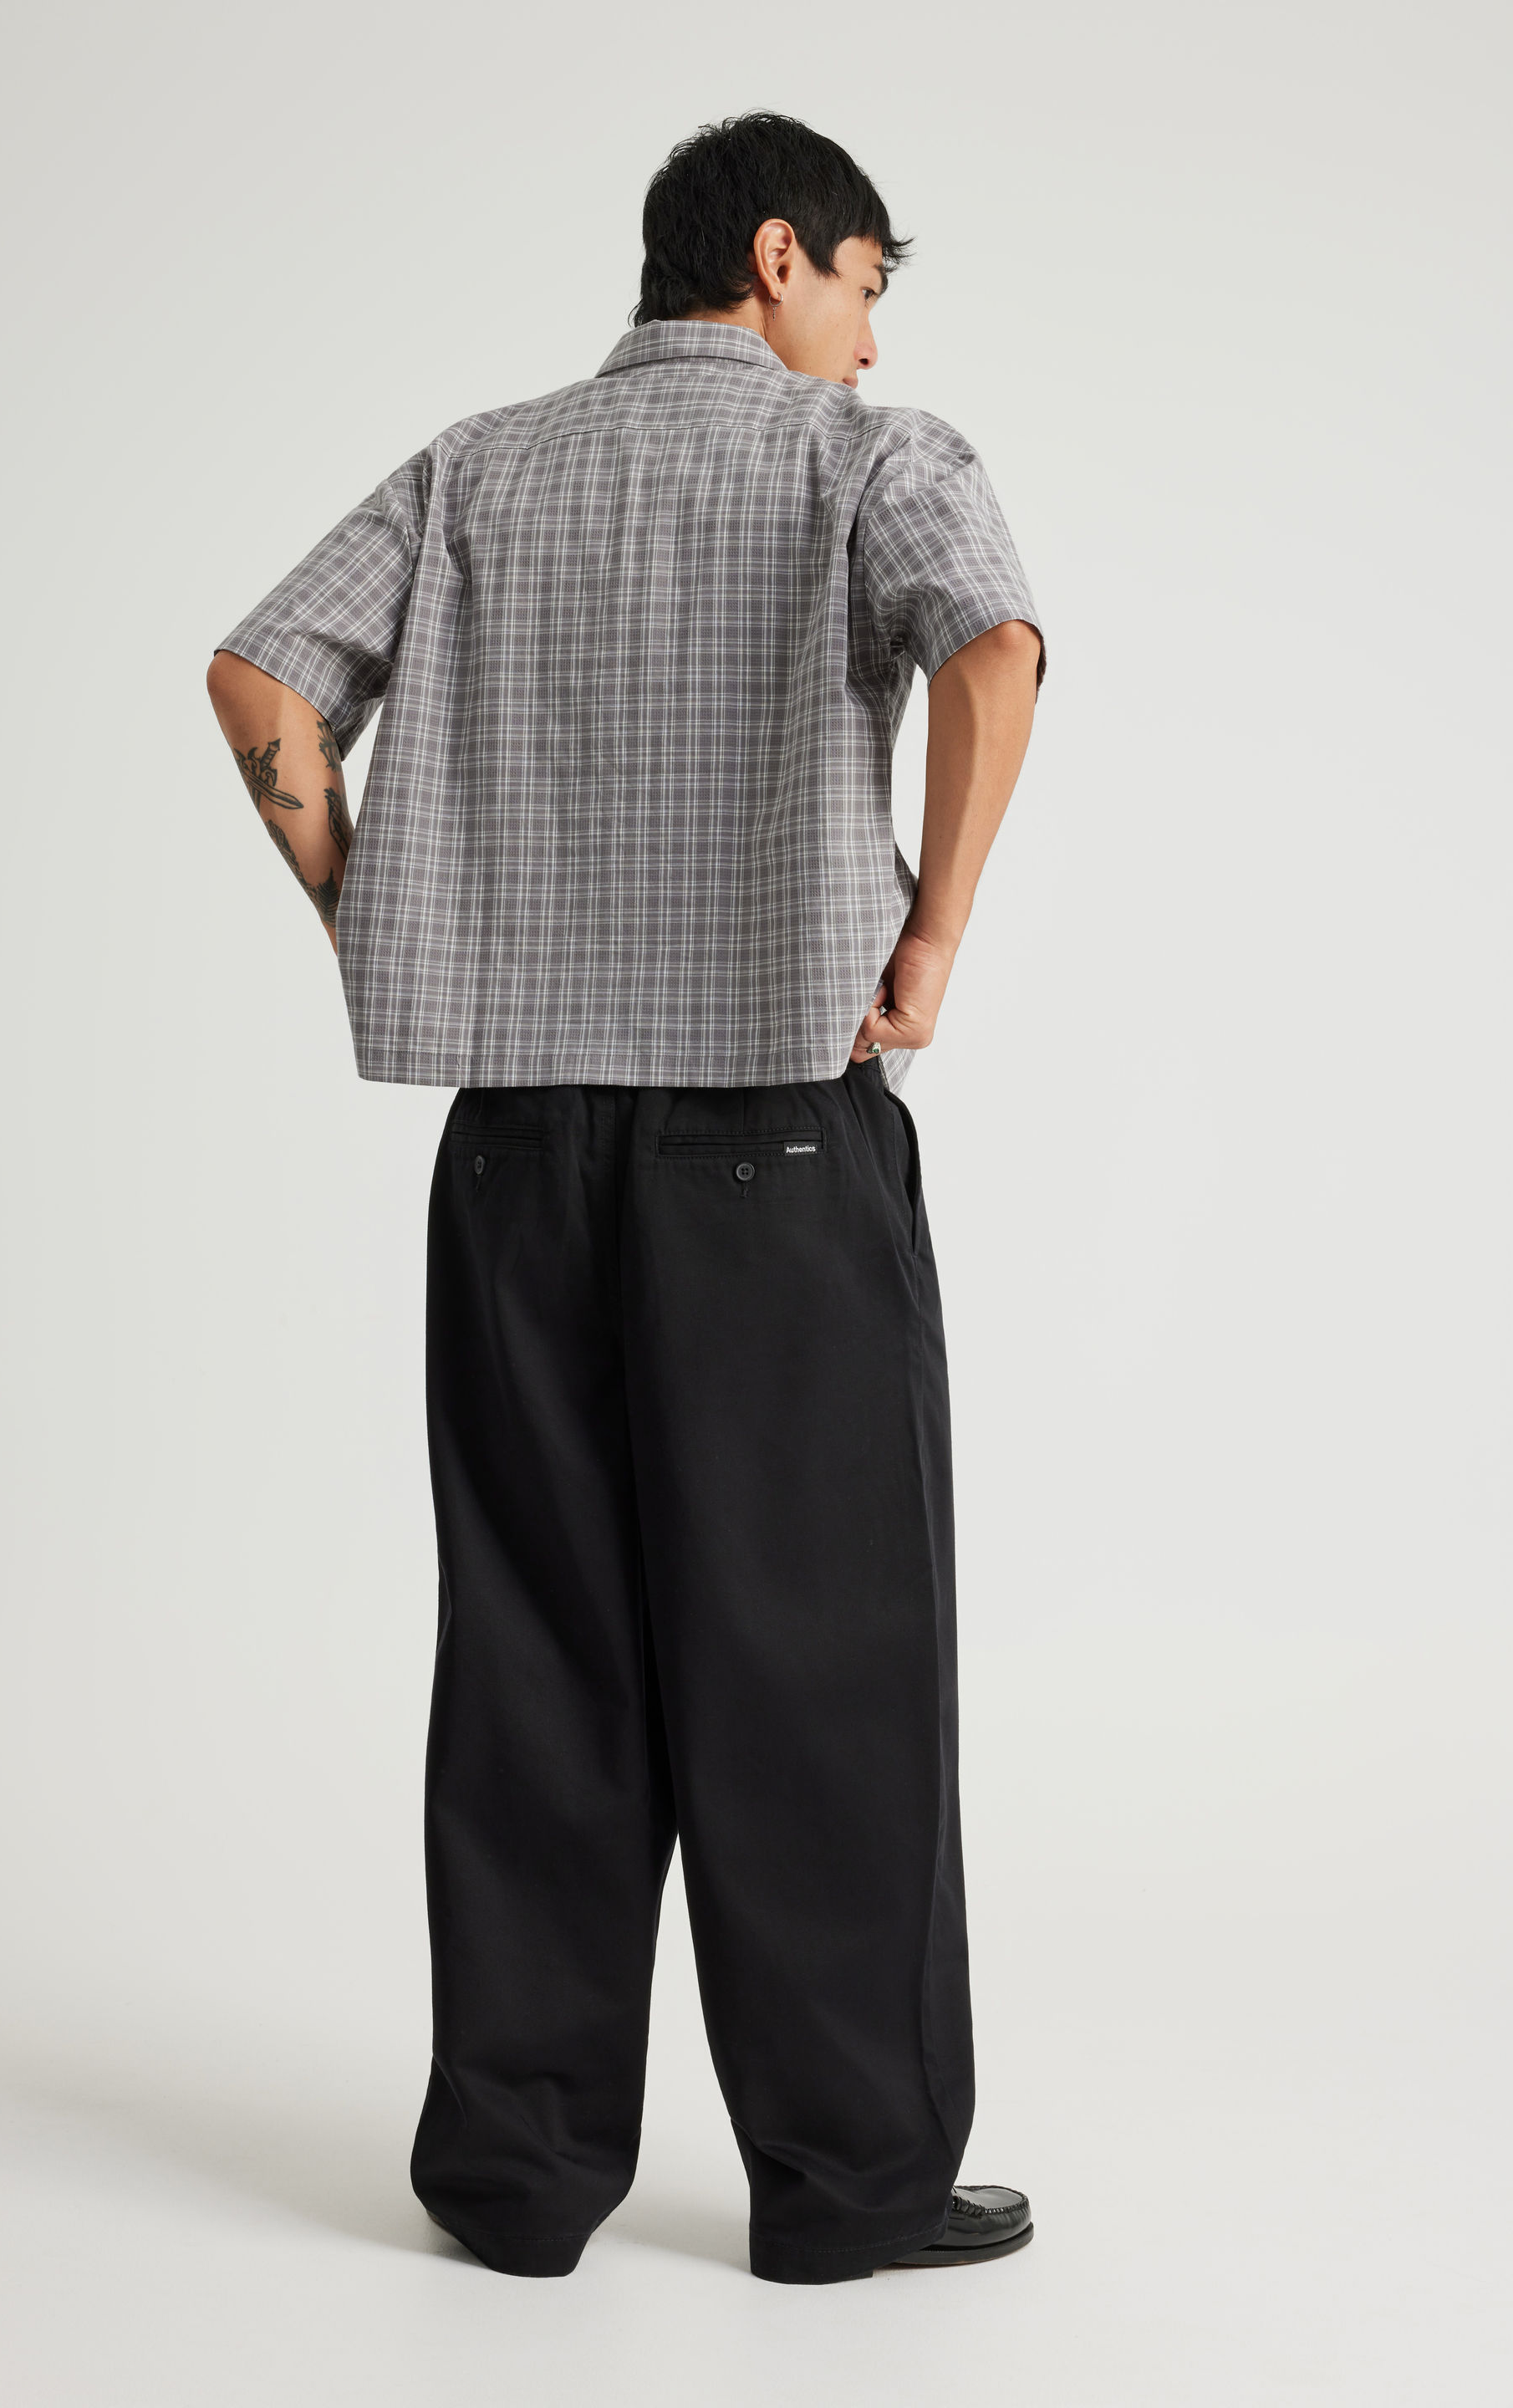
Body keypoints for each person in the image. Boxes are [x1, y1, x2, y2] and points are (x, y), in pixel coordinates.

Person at [206, 110, 1044, 2285]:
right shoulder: (870, 461)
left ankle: (514, 2180)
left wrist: (377, 918)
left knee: (538, 1654)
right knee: (823, 1662)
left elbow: (259, 675)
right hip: (778, 1145)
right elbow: (995, 650)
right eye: (864, 283)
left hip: (518, 1152)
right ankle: (849, 2187)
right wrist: (935, 937)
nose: (871, 338)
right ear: (777, 257)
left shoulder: (477, 469)